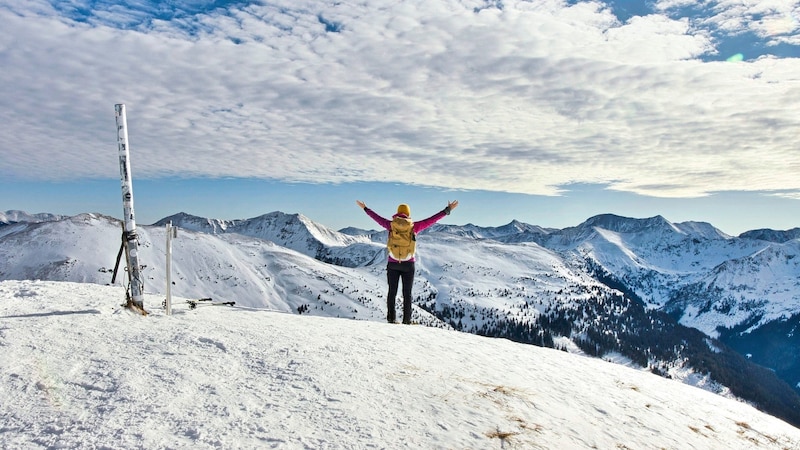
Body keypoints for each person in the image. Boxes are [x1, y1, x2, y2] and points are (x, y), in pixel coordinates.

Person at [356, 199, 459, 324]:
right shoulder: (414, 226)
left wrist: (365, 208)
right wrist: (447, 210)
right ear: (408, 214)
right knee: (407, 294)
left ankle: (391, 318)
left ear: (397, 213)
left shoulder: (390, 225)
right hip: (408, 264)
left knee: (392, 292)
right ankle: (406, 320)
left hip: (393, 263)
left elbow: (377, 218)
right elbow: (431, 220)